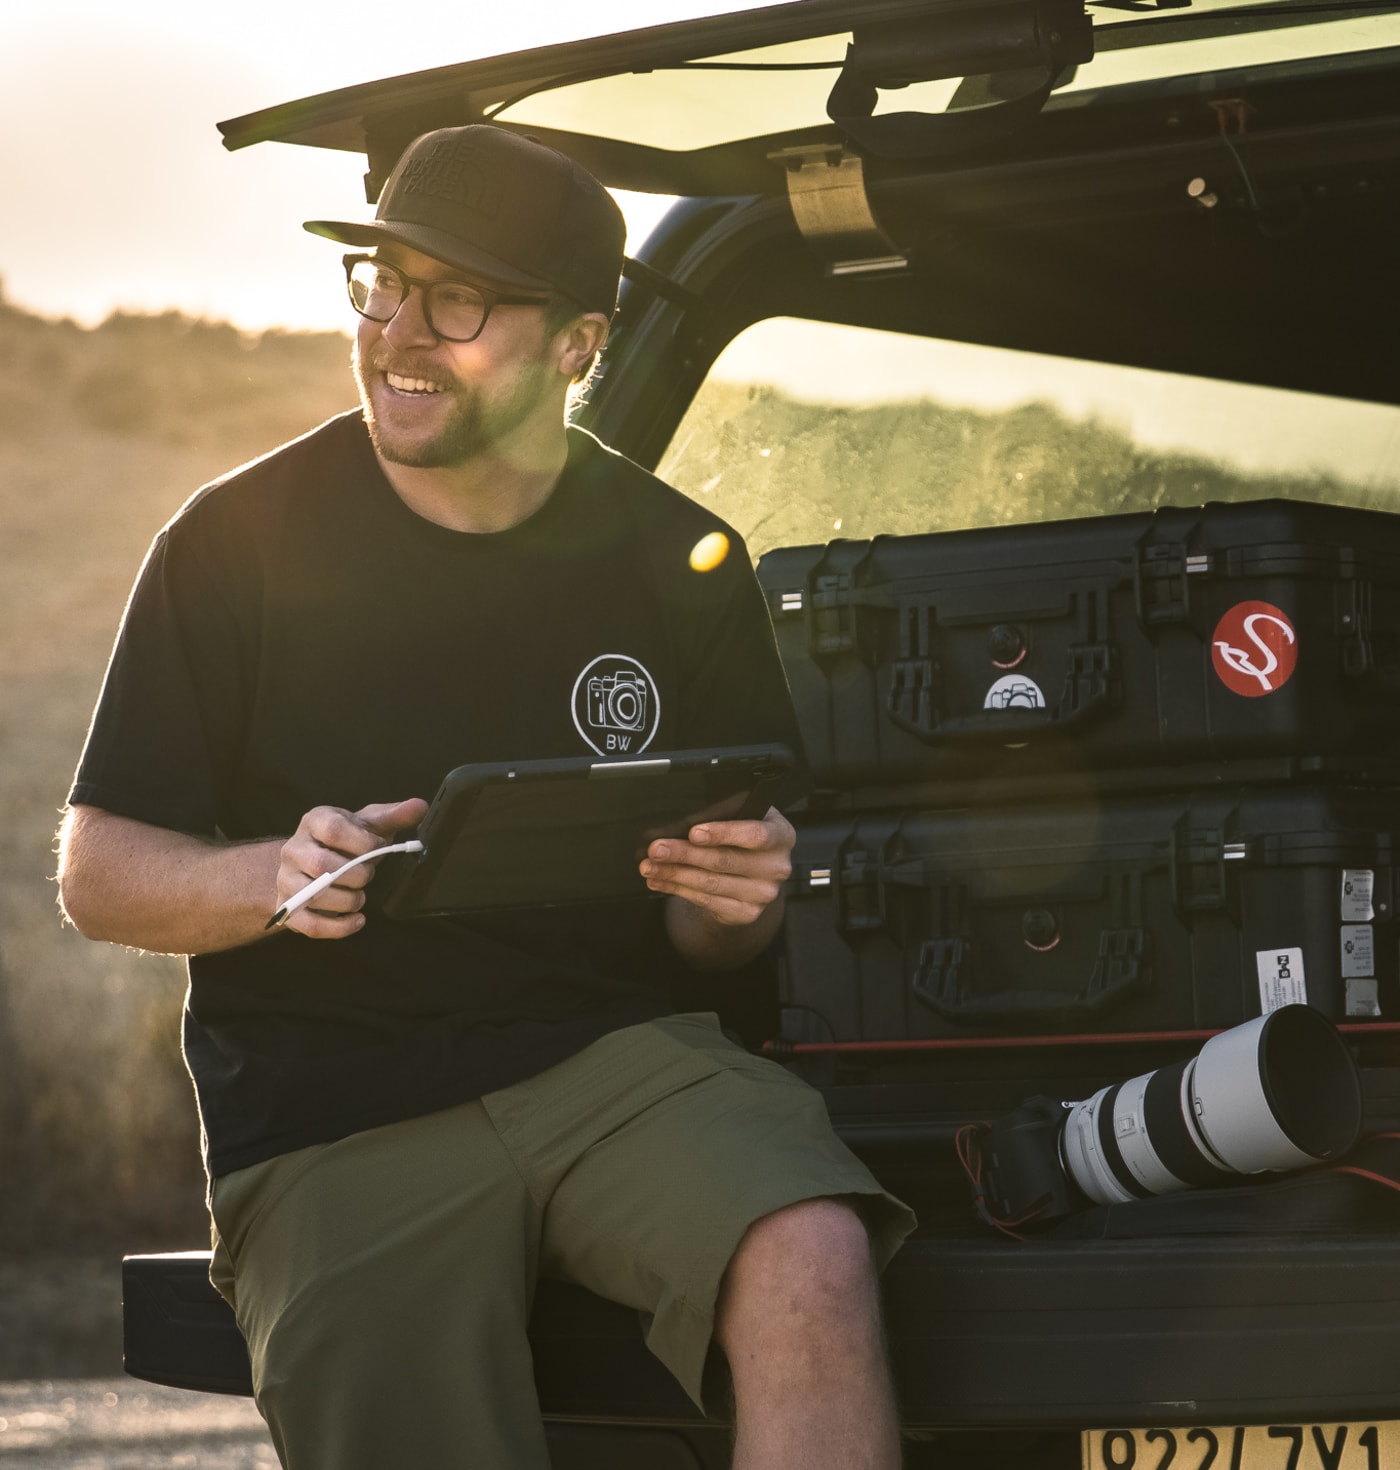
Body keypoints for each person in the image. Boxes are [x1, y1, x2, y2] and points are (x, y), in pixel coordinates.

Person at [57, 124, 914, 1469]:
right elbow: (96, 871)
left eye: (456, 298)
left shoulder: (680, 559)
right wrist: (269, 876)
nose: (400, 330)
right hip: (335, 1110)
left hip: (619, 1065)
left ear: (578, 344)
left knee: (811, 1246)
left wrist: (734, 901)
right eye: (384, 283)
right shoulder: (233, 543)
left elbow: (720, 942)